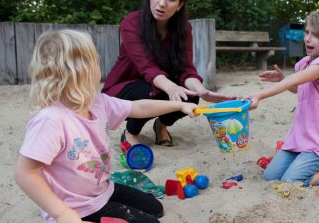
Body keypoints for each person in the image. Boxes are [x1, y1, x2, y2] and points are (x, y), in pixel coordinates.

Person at [14, 29, 198, 223]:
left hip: (103, 190)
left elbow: (139, 107)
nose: (98, 67)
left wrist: (178, 105)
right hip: (77, 208)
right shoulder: (51, 120)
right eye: (94, 61)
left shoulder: (97, 102)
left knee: (155, 208)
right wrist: (62, 214)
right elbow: (24, 173)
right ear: (80, 70)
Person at [102, 0, 234, 147]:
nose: (162, 3)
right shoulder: (131, 23)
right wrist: (172, 88)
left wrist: (200, 90)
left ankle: (161, 125)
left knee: (191, 96)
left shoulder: (184, 28)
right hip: (125, 87)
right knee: (157, 91)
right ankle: (131, 132)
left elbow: (186, 68)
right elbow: (146, 67)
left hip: (157, 85)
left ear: (180, 5)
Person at [246, 8, 319, 187]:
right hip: (301, 136)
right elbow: (298, 89)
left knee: (292, 181)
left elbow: (293, 81)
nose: (307, 38)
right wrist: (282, 79)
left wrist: (260, 95)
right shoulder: (304, 63)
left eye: (315, 35)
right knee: (270, 176)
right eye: (307, 32)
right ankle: (299, 159)